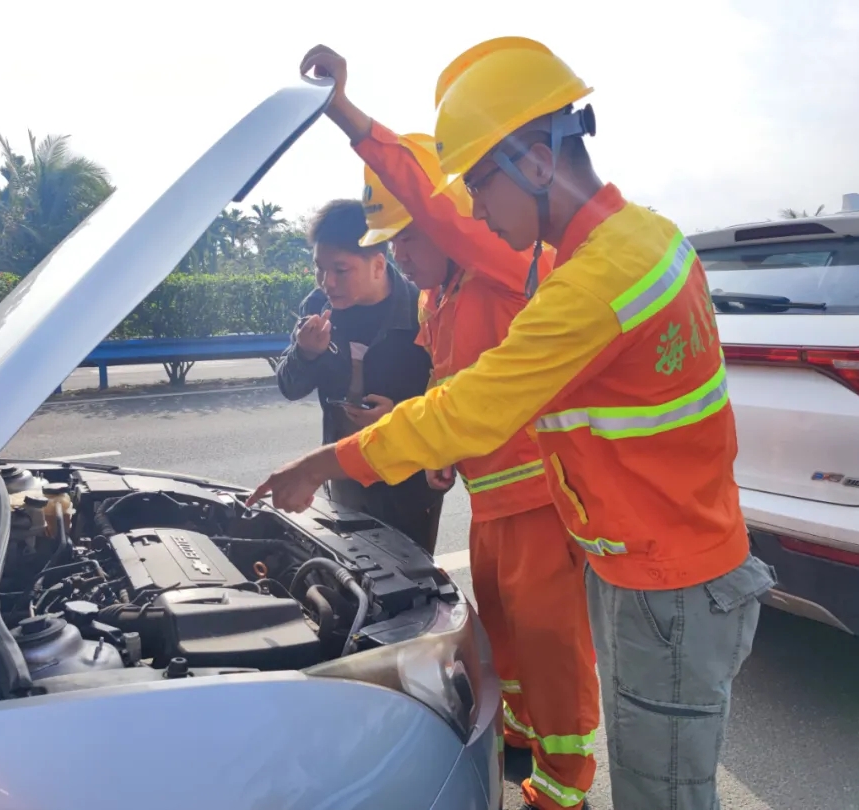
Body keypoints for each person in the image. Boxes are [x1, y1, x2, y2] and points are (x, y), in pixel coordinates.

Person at [254, 37, 776, 810]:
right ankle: (544, 769)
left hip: (666, 577)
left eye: (479, 185)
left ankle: (560, 786)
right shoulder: (641, 239)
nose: (474, 210)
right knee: (637, 761)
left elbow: (468, 404)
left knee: (659, 790)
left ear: (534, 162)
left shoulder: (593, 281)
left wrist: (322, 461)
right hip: (656, 559)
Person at [301, 45, 599, 810]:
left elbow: (428, 199)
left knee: (551, 646)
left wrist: (347, 113)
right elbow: (451, 390)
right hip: (491, 506)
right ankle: (521, 746)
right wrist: (445, 457)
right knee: (504, 635)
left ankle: (564, 786)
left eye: (408, 238)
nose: (400, 255)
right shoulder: (439, 301)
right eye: (391, 243)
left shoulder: (500, 264)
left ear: (448, 226)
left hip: (538, 502)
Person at [274, 198, 444, 553]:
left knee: (409, 576)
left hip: (407, 483)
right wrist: (306, 353)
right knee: (348, 572)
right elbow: (289, 386)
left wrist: (398, 414)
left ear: (378, 264)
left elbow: (447, 394)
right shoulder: (317, 308)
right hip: (343, 476)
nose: (327, 282)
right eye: (319, 269)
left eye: (340, 270)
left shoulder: (421, 311)